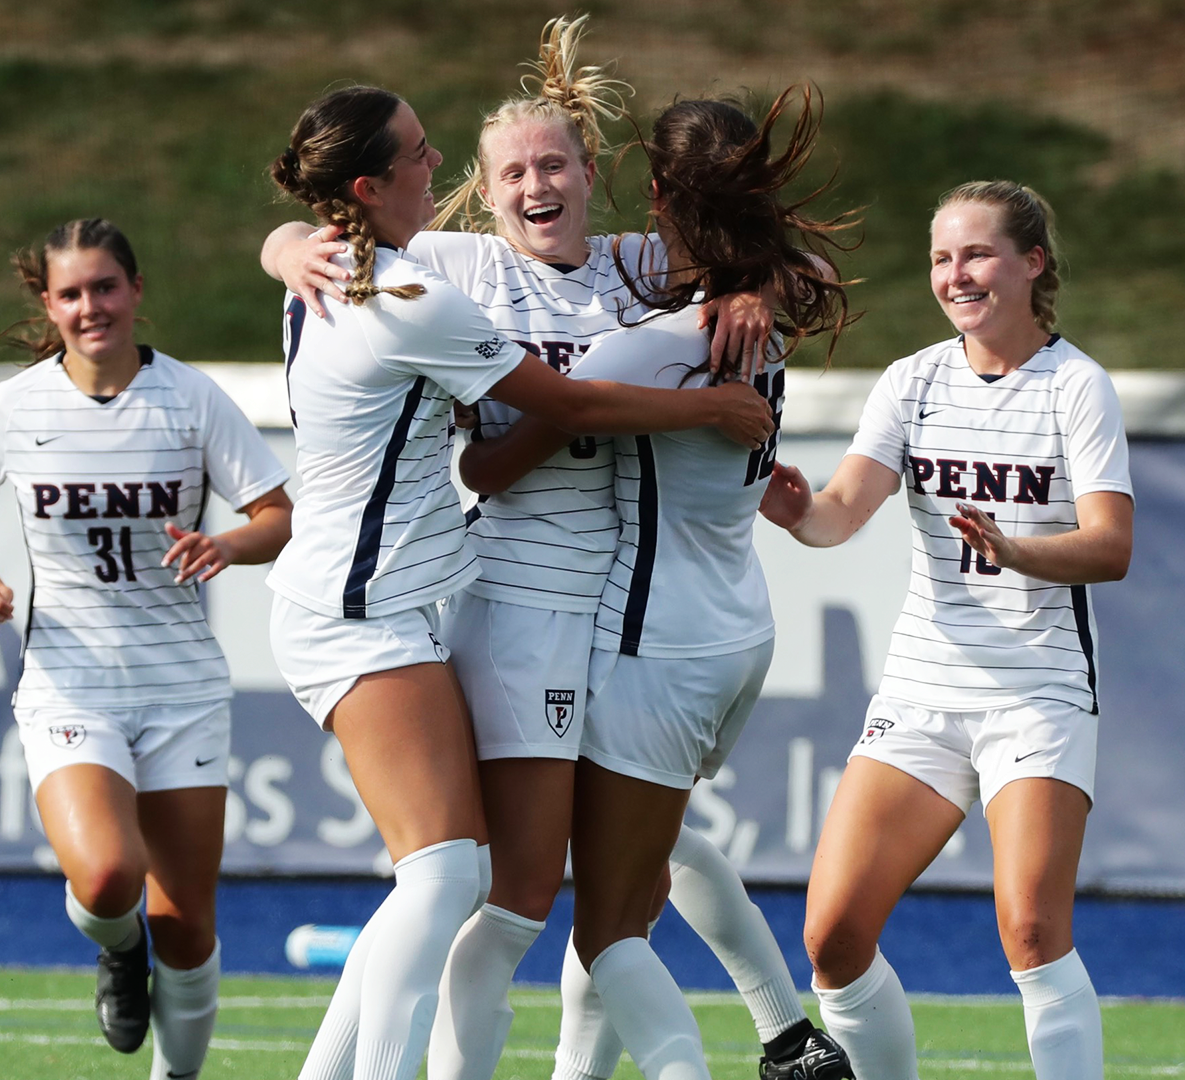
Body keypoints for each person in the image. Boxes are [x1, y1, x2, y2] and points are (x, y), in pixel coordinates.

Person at [265, 18, 846, 1080]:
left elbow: (768, 253)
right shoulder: (451, 266)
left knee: (623, 865)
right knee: (513, 895)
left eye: (554, 162)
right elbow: (334, 258)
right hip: (520, 605)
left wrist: (755, 286)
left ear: (589, 174)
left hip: (627, 617)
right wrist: (283, 244)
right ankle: (770, 1034)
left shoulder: (632, 267)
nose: (536, 183)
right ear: (482, 196)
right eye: (510, 171)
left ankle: (765, 1033)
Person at [454, 87, 853, 1080]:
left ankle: (777, 1049)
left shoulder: (645, 346)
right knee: (632, 877)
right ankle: (776, 1033)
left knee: (607, 929)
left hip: (652, 646)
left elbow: (486, 470)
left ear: (659, 189)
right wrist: (753, 287)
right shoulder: (763, 314)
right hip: (735, 633)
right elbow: (814, 267)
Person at [759, 181, 1133, 1080]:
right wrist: (791, 506)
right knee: (833, 934)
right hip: (924, 690)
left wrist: (1017, 549)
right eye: (940, 257)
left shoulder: (1078, 387)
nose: (954, 274)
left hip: (1036, 693)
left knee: (1033, 931)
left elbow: (1111, 547)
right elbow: (841, 514)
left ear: (1032, 263)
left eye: (976, 254)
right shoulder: (913, 379)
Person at [0, 218, 294, 1080]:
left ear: (134, 291)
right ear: (48, 305)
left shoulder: (192, 398)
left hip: (182, 690)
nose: (90, 307)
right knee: (105, 879)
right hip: (69, 683)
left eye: (105, 287)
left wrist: (228, 547)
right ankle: (114, 946)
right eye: (71, 293)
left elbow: (277, 517)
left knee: (189, 925)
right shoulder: (14, 407)